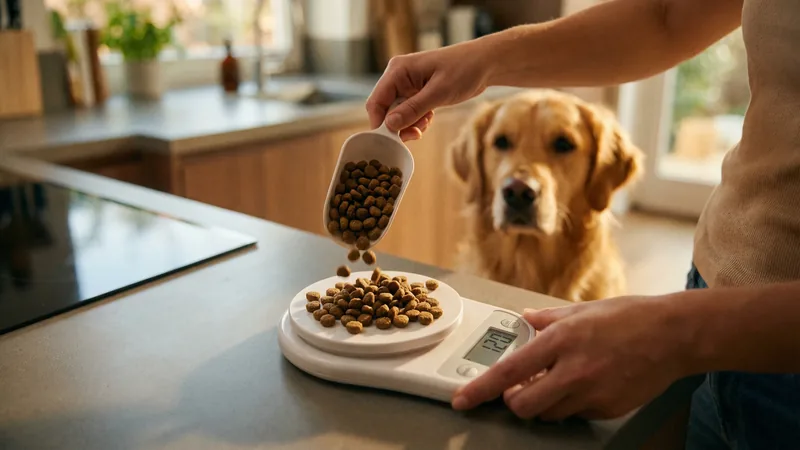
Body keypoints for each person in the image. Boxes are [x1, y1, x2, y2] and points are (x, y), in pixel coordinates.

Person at [365, 0, 800, 448]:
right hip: (713, 287)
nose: (521, 179)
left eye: (561, 145)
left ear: (601, 174)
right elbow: (666, 17)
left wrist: (679, 334)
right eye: (503, 144)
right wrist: (482, 57)